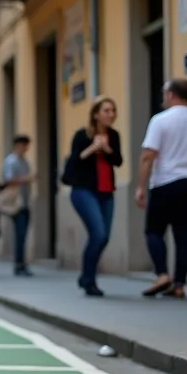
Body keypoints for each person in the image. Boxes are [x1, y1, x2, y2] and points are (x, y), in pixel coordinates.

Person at [136, 78, 187, 299]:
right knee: (183, 235)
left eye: (165, 93)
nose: (164, 98)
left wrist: (140, 186)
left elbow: (148, 156)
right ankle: (179, 284)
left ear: (171, 95)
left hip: (165, 183)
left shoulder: (160, 121)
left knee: (154, 231)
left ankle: (162, 274)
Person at [65, 95, 123, 297]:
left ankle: (85, 276)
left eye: (113, 110)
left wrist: (106, 149)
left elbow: (118, 161)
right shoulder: (82, 135)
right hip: (83, 191)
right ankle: (90, 280)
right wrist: (92, 148)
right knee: (97, 233)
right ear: (96, 114)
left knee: (103, 237)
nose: (111, 114)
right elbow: (73, 162)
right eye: (106, 111)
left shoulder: (114, 136)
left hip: (106, 192)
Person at [1, 134, 35, 276]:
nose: (26, 148)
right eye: (24, 145)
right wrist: (26, 179)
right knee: (20, 234)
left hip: (24, 202)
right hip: (16, 203)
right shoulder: (11, 161)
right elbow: (9, 180)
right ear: (17, 145)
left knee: (23, 234)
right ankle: (19, 265)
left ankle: (21, 263)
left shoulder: (24, 161)